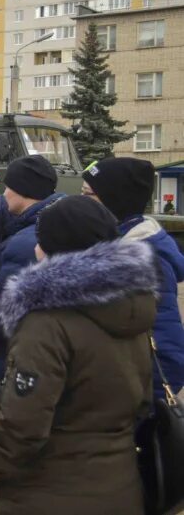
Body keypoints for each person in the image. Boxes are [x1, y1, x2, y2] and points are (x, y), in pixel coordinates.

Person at [0, 196, 156, 515]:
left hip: (50, 492)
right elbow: (143, 400)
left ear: (52, 248)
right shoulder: (133, 309)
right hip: (122, 486)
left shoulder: (46, 323)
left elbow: (24, 425)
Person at [82, 157, 184, 400]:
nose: (80, 202)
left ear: (114, 201)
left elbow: (169, 355)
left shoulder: (147, 261)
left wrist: (136, 410)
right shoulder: (110, 243)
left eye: (88, 195)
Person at [0, 155, 62, 384]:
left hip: (21, 354)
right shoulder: (57, 225)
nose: (4, 194)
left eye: (8, 187)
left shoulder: (25, 242)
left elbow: (3, 306)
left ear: (24, 191)